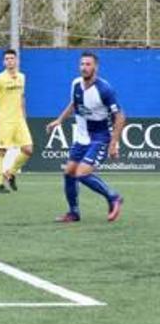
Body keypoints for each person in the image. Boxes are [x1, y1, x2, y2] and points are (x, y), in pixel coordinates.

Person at [46, 52, 124, 223]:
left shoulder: (104, 89)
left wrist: (113, 143)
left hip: (100, 137)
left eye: (88, 64)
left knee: (81, 173)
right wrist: (59, 120)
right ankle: (74, 213)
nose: (84, 67)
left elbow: (120, 116)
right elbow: (74, 104)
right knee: (69, 173)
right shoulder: (75, 84)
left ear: (95, 67)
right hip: (82, 138)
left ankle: (114, 197)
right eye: (82, 64)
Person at [0, 49, 33, 193]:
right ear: (3, 62)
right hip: (4, 121)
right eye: (7, 59)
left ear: (16, 61)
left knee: (28, 150)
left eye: (12, 58)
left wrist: (24, 117)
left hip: (19, 121)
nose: (10, 61)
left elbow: (22, 98)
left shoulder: (22, 77)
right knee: (1, 151)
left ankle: (10, 173)